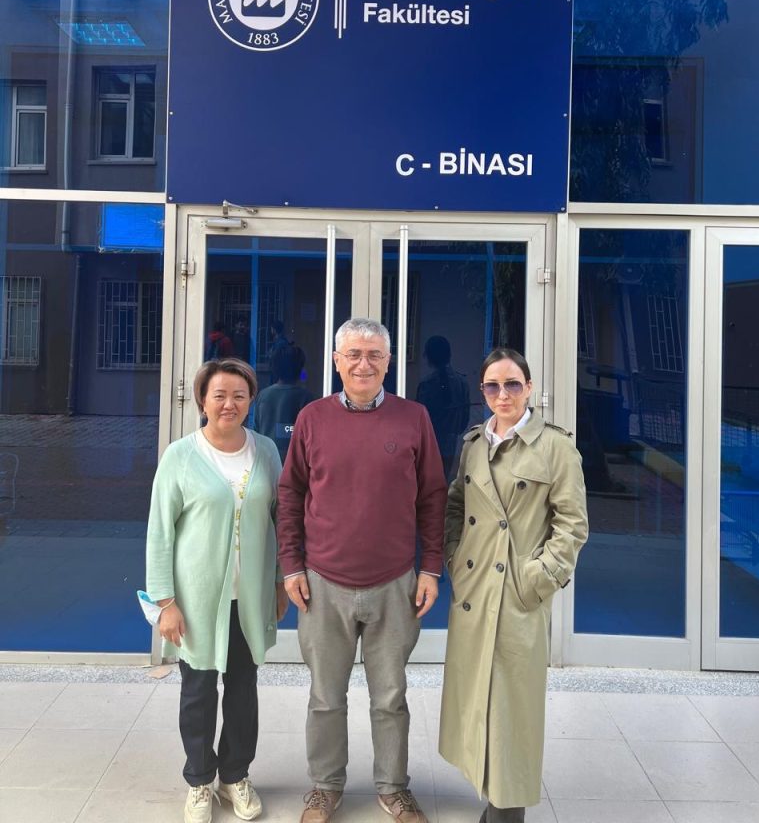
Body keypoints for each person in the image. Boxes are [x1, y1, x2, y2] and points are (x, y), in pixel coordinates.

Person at [278, 317, 447, 823]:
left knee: (390, 698)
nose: (363, 364)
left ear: (389, 362)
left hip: (394, 582)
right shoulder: (311, 418)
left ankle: (394, 788)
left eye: (374, 354)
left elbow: (433, 496)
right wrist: (291, 566)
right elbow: (290, 494)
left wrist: (430, 567)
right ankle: (325, 787)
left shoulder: (414, 417)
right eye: (352, 354)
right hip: (322, 582)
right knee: (325, 697)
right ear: (336, 361)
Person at [439, 347, 588, 823]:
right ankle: (491, 799)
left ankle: (506, 812)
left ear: (529, 388)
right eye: (492, 386)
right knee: (478, 698)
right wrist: (456, 559)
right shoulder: (473, 443)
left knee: (513, 708)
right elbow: (456, 506)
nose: (502, 394)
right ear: (482, 390)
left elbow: (572, 525)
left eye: (512, 384)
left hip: (519, 595)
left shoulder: (556, 447)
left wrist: (536, 579)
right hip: (475, 588)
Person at [145, 358, 287, 823]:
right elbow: (160, 532)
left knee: (244, 689)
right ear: (202, 401)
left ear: (251, 400)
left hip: (249, 597)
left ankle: (235, 776)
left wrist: (280, 581)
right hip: (197, 599)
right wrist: (166, 601)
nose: (229, 404)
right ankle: (199, 780)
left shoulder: (266, 450)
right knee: (199, 690)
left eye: (239, 395)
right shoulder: (180, 456)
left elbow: (281, 520)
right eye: (219, 395)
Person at [416, 335, 470, 479]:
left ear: (429, 356)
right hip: (452, 441)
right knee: (444, 479)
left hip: (430, 442)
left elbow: (418, 421)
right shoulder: (462, 382)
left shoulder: (427, 384)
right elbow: (464, 419)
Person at [254, 345, 316, 462]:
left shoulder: (263, 395)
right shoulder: (305, 397)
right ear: (300, 368)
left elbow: (256, 430)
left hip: (266, 459)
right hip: (296, 461)